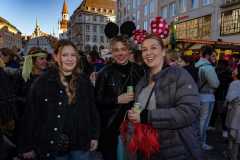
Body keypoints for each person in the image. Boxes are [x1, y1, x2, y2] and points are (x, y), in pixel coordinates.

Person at [19, 40, 100, 160]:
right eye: (64, 55)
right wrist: (27, 146)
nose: (69, 59)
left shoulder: (84, 81)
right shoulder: (42, 82)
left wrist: (94, 135)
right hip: (54, 144)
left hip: (80, 143)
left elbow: (92, 110)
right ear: (56, 57)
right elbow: (31, 115)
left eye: (73, 55)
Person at [128, 34, 203, 160]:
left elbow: (189, 111)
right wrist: (134, 116)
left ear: (163, 52)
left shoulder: (179, 75)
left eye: (153, 48)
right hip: (146, 149)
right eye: (144, 49)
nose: (148, 53)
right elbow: (140, 110)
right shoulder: (142, 82)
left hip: (174, 150)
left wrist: (147, 116)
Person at [95, 36, 144, 160]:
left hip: (134, 125)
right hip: (111, 127)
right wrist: (116, 100)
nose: (120, 53)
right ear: (112, 52)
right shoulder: (104, 73)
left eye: (123, 49)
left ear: (129, 51)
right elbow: (97, 100)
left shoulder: (139, 70)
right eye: (116, 50)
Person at [195, 45, 220, 150]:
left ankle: (195, 140)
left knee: (197, 120)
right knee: (204, 121)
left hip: (197, 95)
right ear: (208, 55)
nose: (213, 58)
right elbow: (215, 84)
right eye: (212, 55)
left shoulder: (196, 65)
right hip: (207, 97)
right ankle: (201, 143)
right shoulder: (208, 67)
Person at [225, 65, 240, 160]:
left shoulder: (235, 83)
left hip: (236, 112)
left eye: (235, 70)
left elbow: (230, 98)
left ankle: (232, 155)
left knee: (233, 134)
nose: (233, 71)